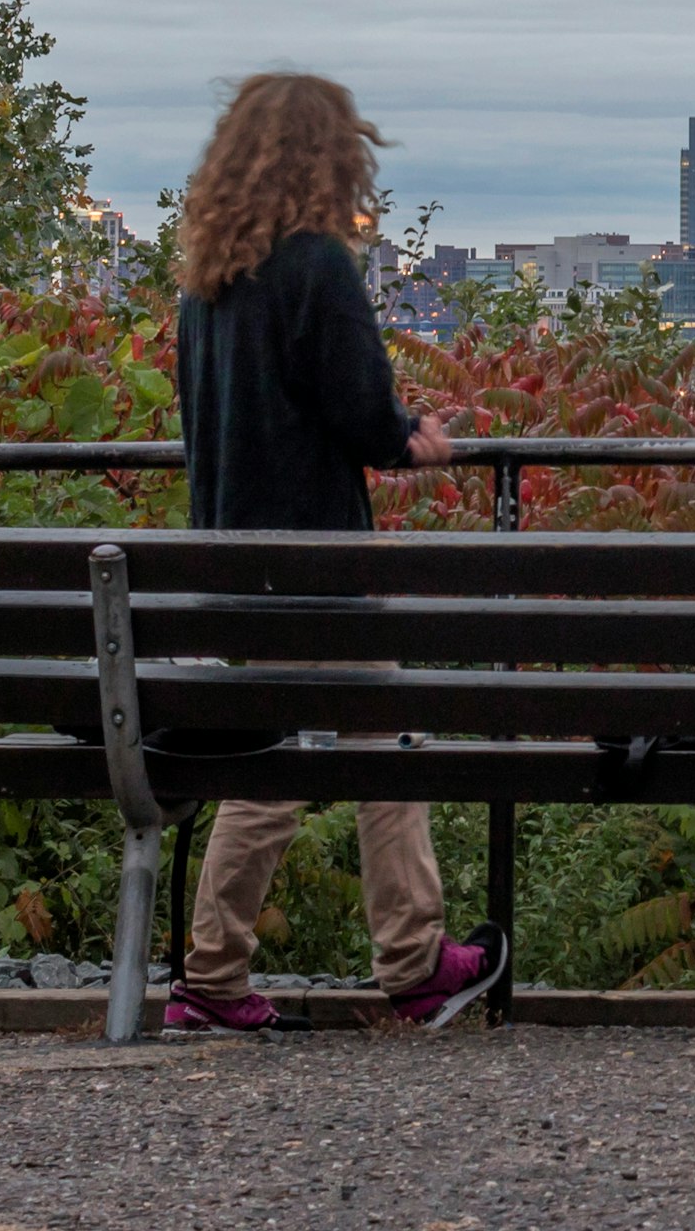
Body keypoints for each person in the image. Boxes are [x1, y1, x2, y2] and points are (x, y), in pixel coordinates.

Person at [162, 73, 507, 1034]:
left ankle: (246, 975)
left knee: (343, 744)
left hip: (236, 563)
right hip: (318, 568)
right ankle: (386, 965)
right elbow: (362, 416)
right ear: (332, 159)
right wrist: (416, 440)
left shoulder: (208, 289)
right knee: (333, 753)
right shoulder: (317, 268)